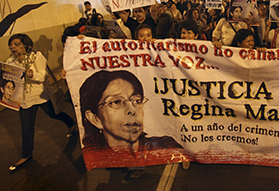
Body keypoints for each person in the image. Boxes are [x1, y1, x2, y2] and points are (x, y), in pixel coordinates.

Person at [79, 70, 183, 172]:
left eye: (137, 101)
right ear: (95, 119)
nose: (132, 110)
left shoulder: (165, 145)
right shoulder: (97, 155)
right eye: (116, 102)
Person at [7, 34, 75, 171]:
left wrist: (32, 74)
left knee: (54, 114)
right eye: (11, 44)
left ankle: (71, 123)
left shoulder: (36, 57)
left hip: (41, 95)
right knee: (26, 127)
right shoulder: (10, 62)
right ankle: (26, 155)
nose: (13, 47)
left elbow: (43, 76)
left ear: (26, 45)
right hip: (24, 100)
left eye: (17, 44)